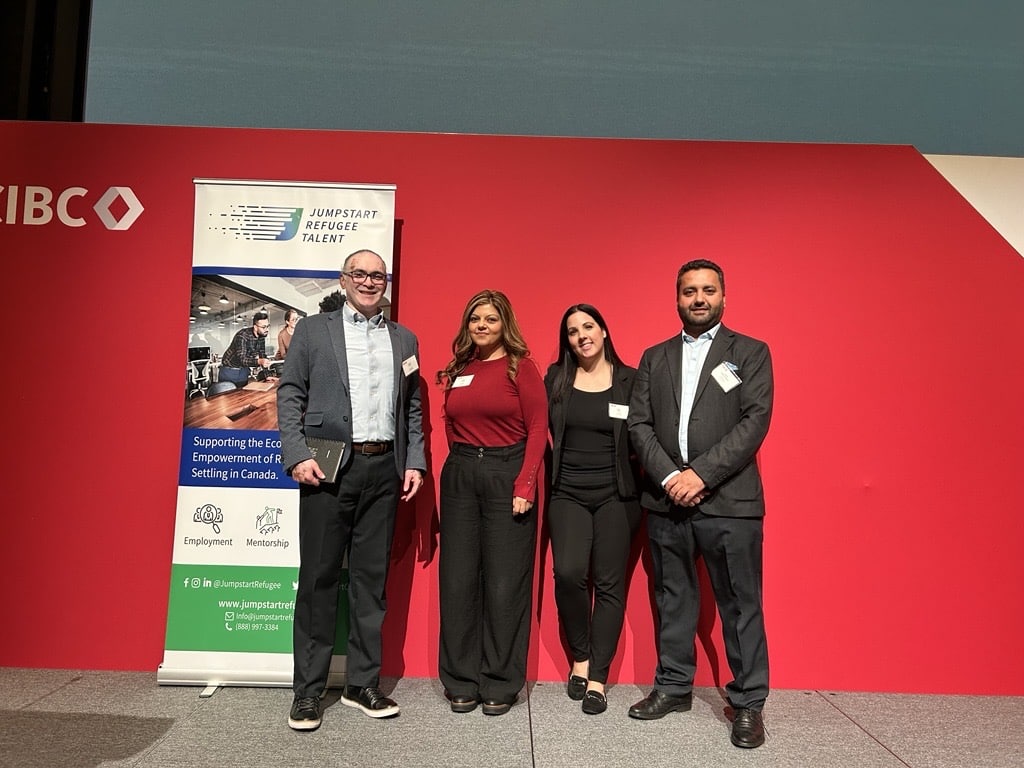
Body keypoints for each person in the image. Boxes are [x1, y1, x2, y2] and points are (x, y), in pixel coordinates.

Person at [277, 249, 425, 731]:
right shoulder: (313, 331)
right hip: (326, 464)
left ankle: (362, 684)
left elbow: (413, 408)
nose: (368, 281)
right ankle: (308, 691)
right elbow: (290, 392)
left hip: (384, 469)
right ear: (343, 280)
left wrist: (415, 462)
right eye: (359, 274)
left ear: (387, 282)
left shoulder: (404, 338)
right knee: (319, 581)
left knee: (370, 582)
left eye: (377, 275)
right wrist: (297, 453)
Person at [627, 259, 773, 749]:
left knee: (739, 605)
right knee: (673, 599)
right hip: (667, 501)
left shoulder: (751, 352)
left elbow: (754, 422)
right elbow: (639, 424)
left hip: (730, 501)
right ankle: (673, 687)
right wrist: (671, 476)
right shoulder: (655, 356)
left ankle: (748, 703)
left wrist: (700, 475)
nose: (698, 298)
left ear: (724, 297)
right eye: (689, 291)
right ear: (677, 299)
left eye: (708, 290)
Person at [436, 289, 547, 716]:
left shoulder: (523, 368)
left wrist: (525, 485)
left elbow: (538, 429)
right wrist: (459, 466)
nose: (482, 326)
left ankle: (500, 682)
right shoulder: (460, 368)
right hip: (462, 475)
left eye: (491, 320)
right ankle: (461, 680)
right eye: (475, 319)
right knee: (458, 580)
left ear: (506, 325)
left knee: (504, 584)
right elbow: (451, 424)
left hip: (507, 473)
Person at [544, 304, 641, 715]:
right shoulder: (556, 378)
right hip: (566, 492)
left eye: (588, 327)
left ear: (603, 330)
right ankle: (579, 655)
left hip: (617, 495)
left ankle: (596, 676)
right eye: (572, 331)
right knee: (567, 573)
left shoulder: (631, 380)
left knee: (609, 583)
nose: (581, 335)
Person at [219, 311, 272, 386]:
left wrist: (268, 376)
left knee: (242, 396)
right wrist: (259, 361)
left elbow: (262, 356)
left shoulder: (261, 337)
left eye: (268, 326)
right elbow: (242, 359)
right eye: (263, 327)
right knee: (227, 396)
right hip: (229, 370)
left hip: (243, 371)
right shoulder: (242, 335)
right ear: (255, 327)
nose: (267, 329)